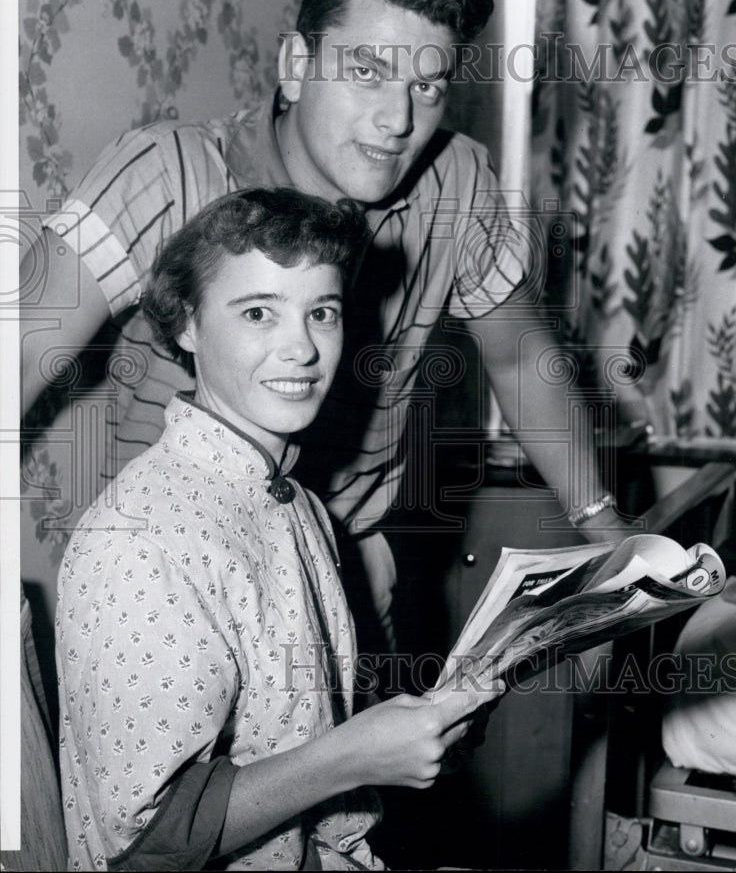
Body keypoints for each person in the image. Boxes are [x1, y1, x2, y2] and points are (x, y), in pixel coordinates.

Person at [23, 0, 630, 653]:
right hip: (171, 589)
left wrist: (609, 533)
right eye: (368, 72)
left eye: (426, 87)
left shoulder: (456, 182)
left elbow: (519, 355)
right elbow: (19, 351)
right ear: (295, 62)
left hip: (342, 569)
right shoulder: (170, 173)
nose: (398, 119)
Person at [55, 187, 502, 872]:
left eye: (320, 312)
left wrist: (419, 723)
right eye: (259, 312)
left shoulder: (288, 498)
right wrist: (353, 757)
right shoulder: (142, 540)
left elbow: (287, 726)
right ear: (187, 327)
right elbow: (147, 847)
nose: (302, 348)